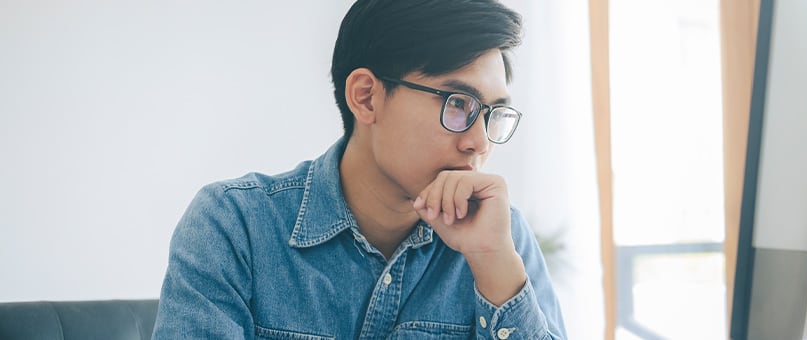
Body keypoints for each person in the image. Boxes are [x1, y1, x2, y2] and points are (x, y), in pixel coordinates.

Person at [152, 0, 567, 338]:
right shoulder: (234, 226)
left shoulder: (500, 238)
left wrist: (495, 264)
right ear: (366, 97)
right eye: (458, 104)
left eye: (493, 114)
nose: (479, 141)